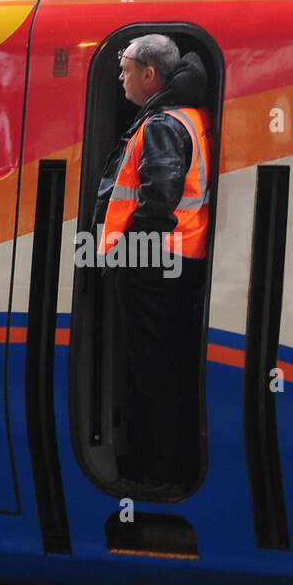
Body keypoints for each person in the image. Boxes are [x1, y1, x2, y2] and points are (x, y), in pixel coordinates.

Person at [95, 34, 213, 496]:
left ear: (149, 75)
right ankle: (170, 464)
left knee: (153, 371)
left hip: (153, 268)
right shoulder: (190, 115)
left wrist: (125, 254)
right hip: (180, 260)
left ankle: (162, 473)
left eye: (125, 68)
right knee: (168, 367)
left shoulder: (163, 123)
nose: (119, 76)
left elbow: (158, 200)